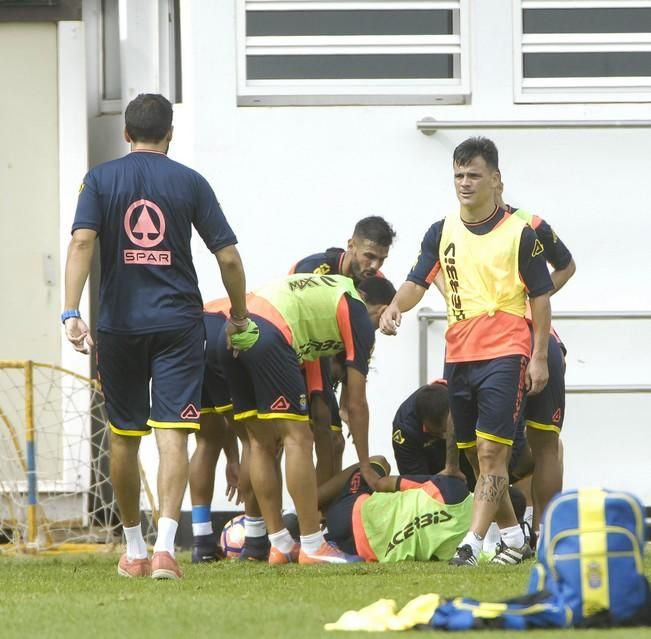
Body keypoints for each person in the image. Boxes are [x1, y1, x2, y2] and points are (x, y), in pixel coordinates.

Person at [62, 94, 251, 579]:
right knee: (173, 435)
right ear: (170, 134)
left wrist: (70, 313)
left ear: (127, 134)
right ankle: (167, 549)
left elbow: (82, 240)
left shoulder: (100, 179)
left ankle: (135, 550)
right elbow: (227, 257)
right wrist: (239, 315)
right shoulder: (190, 181)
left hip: (119, 327)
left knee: (124, 438)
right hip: (178, 326)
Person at [380, 136, 554, 566]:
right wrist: (393, 307)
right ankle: (513, 536)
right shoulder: (441, 231)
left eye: (473, 174)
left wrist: (539, 356)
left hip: (506, 351)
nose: (464, 183)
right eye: (458, 175)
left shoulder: (520, 232)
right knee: (477, 453)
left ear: (496, 180)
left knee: (493, 452)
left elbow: (541, 298)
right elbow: (417, 281)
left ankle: (472, 544)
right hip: (459, 354)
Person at [219, 274, 396, 564]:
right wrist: (365, 465)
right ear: (378, 309)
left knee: (260, 443)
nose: (375, 329)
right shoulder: (357, 312)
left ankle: (279, 544)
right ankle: (313, 546)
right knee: (298, 437)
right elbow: (356, 403)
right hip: (269, 332)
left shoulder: (323, 297)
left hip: (233, 329)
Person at [496, 182, 576, 538]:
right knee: (494, 445)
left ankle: (543, 534)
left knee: (543, 444)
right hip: (492, 344)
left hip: (528, 341)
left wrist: (533, 297)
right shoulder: (456, 229)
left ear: (496, 181)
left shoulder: (530, 223)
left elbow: (566, 266)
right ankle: (513, 533)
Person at [290, 216, 396, 482]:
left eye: (381, 259)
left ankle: (321, 513)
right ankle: (285, 517)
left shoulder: (375, 283)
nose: (374, 266)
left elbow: (362, 341)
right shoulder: (315, 268)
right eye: (369, 256)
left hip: (332, 363)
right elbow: (302, 325)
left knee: (335, 441)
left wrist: (349, 394)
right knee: (293, 439)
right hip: (297, 356)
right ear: (351, 245)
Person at [319, 457, 473, 562]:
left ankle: (304, 513)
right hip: (358, 549)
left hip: (349, 512)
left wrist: (432, 479)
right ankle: (319, 533)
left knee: (379, 462)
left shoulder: (453, 487)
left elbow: (382, 484)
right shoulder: (465, 545)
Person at [189, 299, 241, 563]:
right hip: (219, 334)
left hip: (189, 337)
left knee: (207, 440)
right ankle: (257, 539)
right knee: (259, 438)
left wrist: (233, 458)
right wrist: (235, 459)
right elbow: (233, 418)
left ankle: (202, 541)